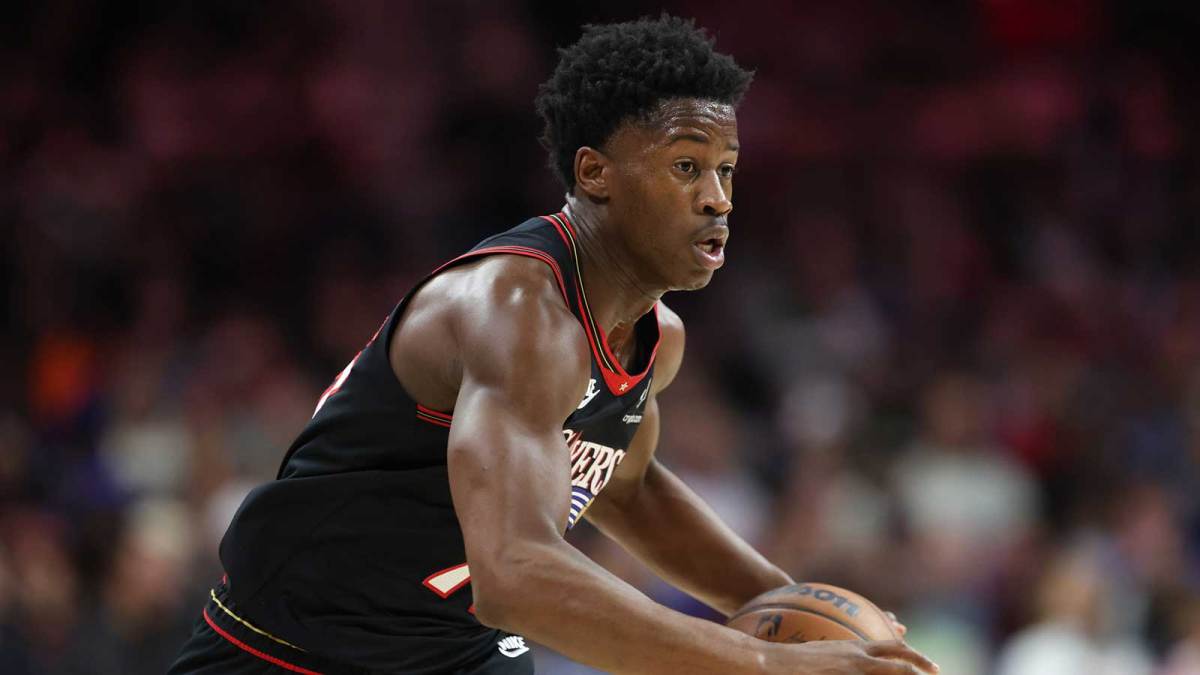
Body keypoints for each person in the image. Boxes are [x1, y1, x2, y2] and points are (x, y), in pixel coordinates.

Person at [169, 15, 937, 675]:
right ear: (595, 175)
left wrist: (789, 605)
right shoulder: (517, 314)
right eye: (685, 167)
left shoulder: (654, 339)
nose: (717, 197)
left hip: (449, 641)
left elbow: (629, 489)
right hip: (296, 637)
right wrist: (766, 658)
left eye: (726, 170)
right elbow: (515, 574)